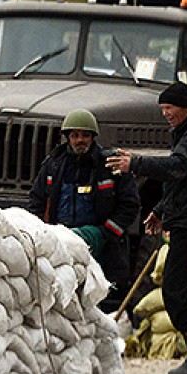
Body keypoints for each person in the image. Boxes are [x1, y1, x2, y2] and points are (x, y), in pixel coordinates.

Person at [108, 82, 187, 374]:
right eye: (162, 109)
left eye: (170, 108)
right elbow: (182, 183)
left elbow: (178, 167)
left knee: (175, 291)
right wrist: (161, 211)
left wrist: (135, 163)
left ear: (186, 107)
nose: (166, 114)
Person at [28, 109, 140, 308]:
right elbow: (37, 199)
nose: (80, 140)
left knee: (99, 299)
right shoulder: (53, 165)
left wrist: (105, 233)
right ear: (67, 137)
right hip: (62, 243)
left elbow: (130, 204)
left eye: (85, 135)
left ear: (93, 138)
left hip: (101, 246)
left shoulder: (109, 165)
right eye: (75, 135)